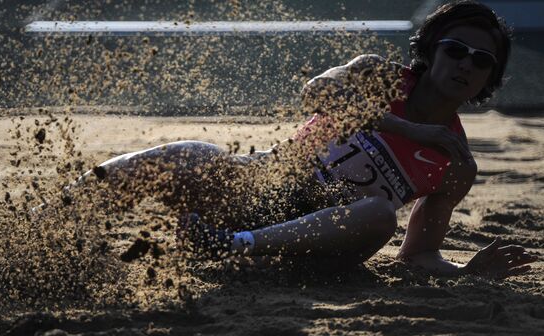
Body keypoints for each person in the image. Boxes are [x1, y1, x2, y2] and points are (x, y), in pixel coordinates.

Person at [60, 0, 537, 279]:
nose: (466, 65)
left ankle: (231, 244)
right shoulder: (377, 75)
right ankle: (50, 226)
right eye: (456, 51)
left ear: (490, 76)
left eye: (482, 60)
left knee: (377, 213)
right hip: (261, 189)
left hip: (314, 246)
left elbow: (419, 255)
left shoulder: (457, 162)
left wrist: (467, 272)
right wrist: (408, 129)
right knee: (196, 154)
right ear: (431, 52)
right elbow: (316, 92)